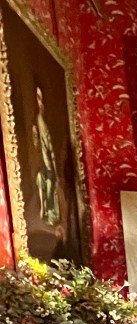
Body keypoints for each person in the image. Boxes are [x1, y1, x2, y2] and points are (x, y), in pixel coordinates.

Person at [31, 83, 60, 228]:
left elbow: (52, 151)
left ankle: (51, 213)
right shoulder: (36, 122)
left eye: (41, 98)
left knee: (50, 182)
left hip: (51, 166)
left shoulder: (47, 124)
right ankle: (44, 210)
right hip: (43, 165)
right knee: (40, 178)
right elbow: (36, 147)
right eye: (37, 98)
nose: (40, 102)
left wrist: (56, 171)